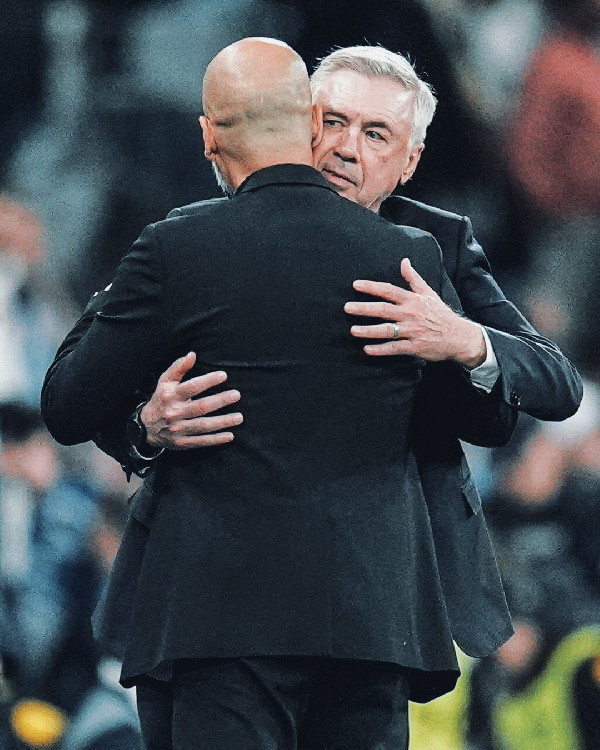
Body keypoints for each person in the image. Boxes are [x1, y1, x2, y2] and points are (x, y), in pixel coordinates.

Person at [42, 38, 517, 749]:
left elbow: (67, 401)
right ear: (308, 126)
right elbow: (487, 418)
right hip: (371, 627)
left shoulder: (178, 247)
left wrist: (144, 424)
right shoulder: (409, 258)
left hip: (216, 622)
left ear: (207, 134)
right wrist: (467, 345)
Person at [93, 44, 581, 653]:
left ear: (410, 160)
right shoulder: (205, 236)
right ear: (299, 124)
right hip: (220, 581)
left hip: (384, 590)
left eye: (377, 134)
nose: (347, 149)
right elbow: (86, 383)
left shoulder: (440, 244)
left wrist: (461, 337)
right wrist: (145, 427)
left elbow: (558, 383)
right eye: (333, 122)